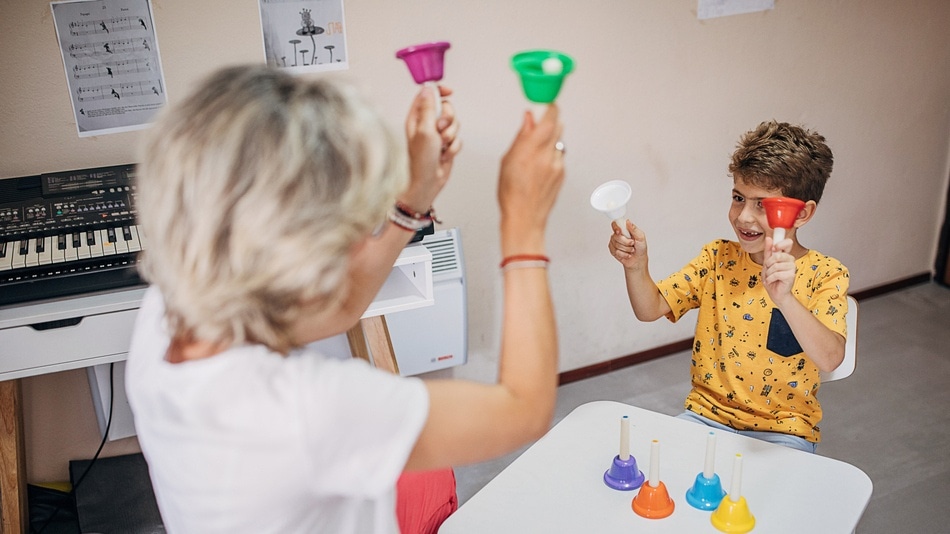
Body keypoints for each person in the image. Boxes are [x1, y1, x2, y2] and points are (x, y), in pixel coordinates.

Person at [125, 64, 566, 533]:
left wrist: (413, 200)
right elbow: (523, 408)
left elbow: (339, 310)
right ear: (300, 259)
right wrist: (524, 222)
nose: (359, 242)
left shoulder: (169, 308)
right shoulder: (305, 413)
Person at [607, 120, 849, 454]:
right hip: (705, 417)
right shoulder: (717, 258)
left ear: (803, 213)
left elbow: (831, 358)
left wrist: (786, 300)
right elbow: (649, 309)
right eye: (739, 198)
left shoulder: (826, 274)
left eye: (763, 204)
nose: (744, 217)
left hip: (784, 431)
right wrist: (636, 267)